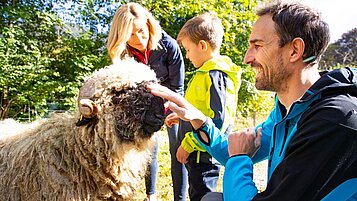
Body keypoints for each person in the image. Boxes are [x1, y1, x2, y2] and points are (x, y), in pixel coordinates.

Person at [148, 1, 357, 201]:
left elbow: (237, 156)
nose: (247, 58)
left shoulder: (333, 120)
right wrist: (199, 119)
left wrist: (240, 159)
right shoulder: (286, 111)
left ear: (294, 50)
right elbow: (231, 151)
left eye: (257, 46)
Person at [107, 3, 188, 201]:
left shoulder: (169, 45)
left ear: (148, 24)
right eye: (131, 35)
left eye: (141, 31)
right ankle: (151, 195)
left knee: (177, 147)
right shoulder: (124, 53)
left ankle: (180, 198)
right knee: (148, 148)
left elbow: (178, 87)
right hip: (143, 106)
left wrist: (169, 108)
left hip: (170, 101)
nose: (139, 39)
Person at [166, 11, 241, 201]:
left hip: (204, 156)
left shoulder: (215, 75)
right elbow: (198, 110)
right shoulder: (204, 73)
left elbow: (218, 121)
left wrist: (189, 144)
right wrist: (181, 117)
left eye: (188, 50)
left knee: (203, 197)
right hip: (197, 155)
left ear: (202, 45)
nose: (188, 56)